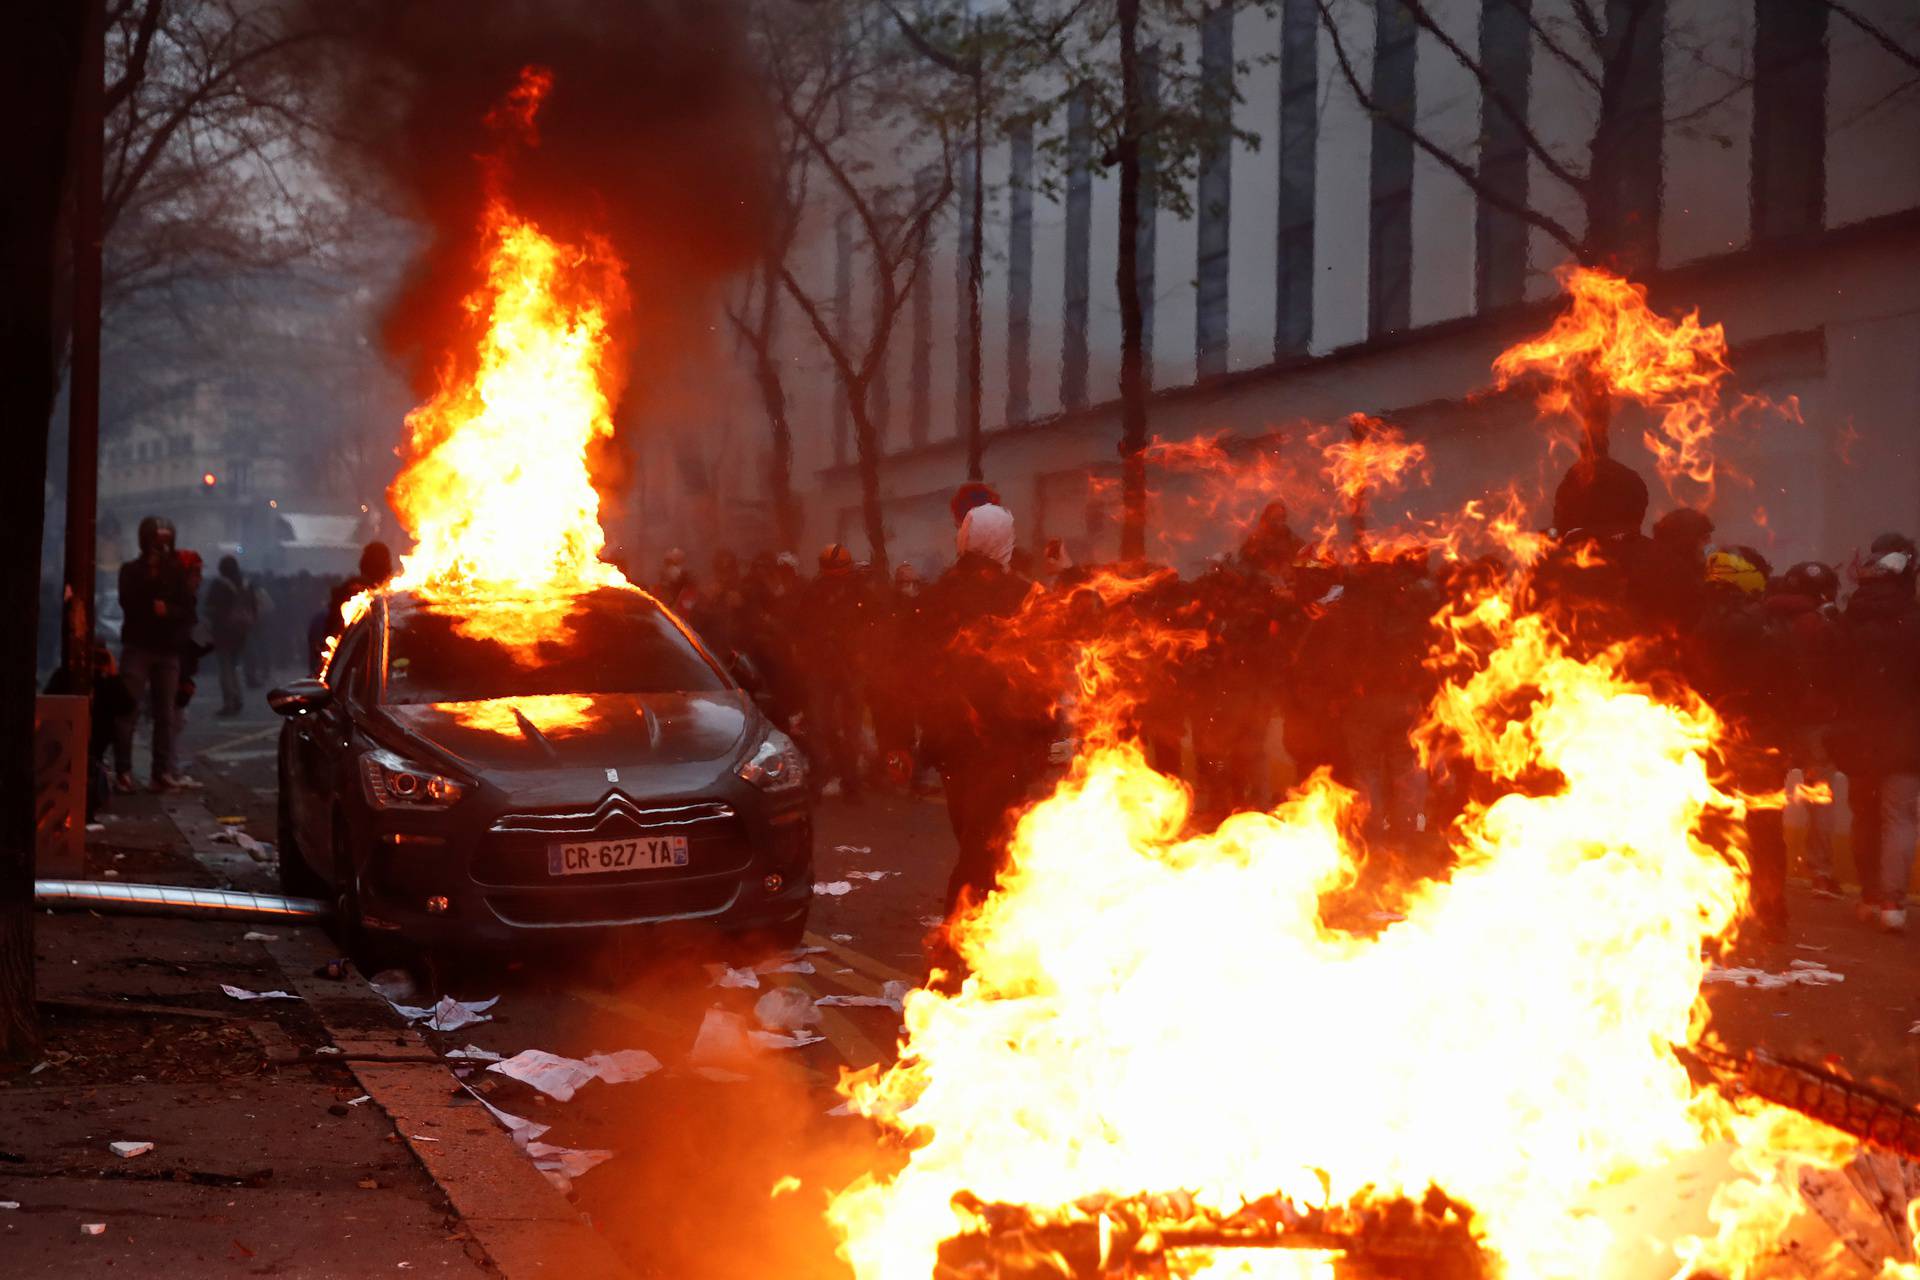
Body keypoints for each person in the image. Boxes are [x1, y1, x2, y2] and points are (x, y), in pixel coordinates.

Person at [915, 501, 1052, 920]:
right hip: (1007, 740)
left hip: (955, 740)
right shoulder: (1025, 596)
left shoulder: (937, 595)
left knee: (976, 833)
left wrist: (907, 739)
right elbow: (1044, 666)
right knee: (984, 839)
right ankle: (963, 930)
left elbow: (911, 668)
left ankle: (982, 924)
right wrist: (1048, 727)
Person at [1831, 534, 1920, 933]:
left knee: (1864, 815)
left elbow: (1834, 675)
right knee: (1898, 816)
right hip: (1906, 734)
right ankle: (1892, 904)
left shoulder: (1850, 617)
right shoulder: (1915, 618)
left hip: (1858, 731)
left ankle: (1867, 896)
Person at [115, 516, 192, 791]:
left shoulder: (177, 572)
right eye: (156, 541)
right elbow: (127, 602)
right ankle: (123, 770)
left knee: (165, 714)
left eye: (165, 541)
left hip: (167, 649)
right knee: (127, 710)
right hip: (138, 645)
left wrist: (168, 611)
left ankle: (160, 772)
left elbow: (187, 608)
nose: (161, 547)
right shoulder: (132, 571)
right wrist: (150, 578)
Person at [799, 543, 876, 799]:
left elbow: (874, 624)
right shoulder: (814, 592)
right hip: (823, 668)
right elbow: (801, 629)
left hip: (850, 668)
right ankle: (827, 777)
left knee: (847, 728)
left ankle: (849, 780)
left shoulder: (859, 592)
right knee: (823, 726)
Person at [206, 555, 256, 716]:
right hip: (241, 629)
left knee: (225, 667)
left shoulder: (219, 585)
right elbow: (254, 606)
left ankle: (230, 701)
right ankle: (238, 697)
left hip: (223, 630)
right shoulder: (246, 584)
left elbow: (210, 606)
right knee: (234, 666)